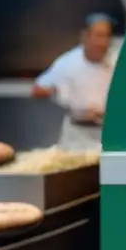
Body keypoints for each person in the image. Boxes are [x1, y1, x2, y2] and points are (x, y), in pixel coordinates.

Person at [31, 13, 115, 151]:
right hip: (76, 137)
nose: (103, 43)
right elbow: (38, 89)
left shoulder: (114, 63)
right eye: (99, 36)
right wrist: (58, 95)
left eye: (107, 36)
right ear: (85, 37)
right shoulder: (67, 63)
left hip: (105, 135)